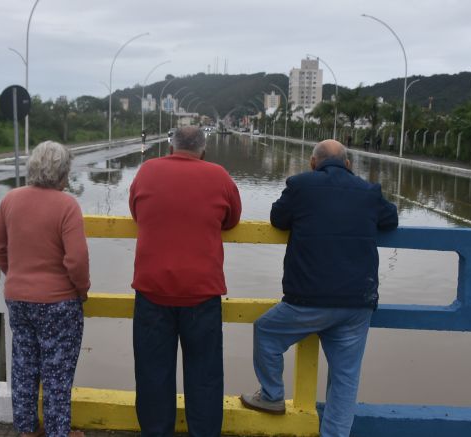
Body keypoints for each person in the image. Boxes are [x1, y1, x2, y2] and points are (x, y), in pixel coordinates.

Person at [240, 140, 398, 437]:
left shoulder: (301, 185)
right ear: (348, 165)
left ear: (313, 163)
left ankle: (272, 395)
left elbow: (278, 218)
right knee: (345, 378)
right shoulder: (368, 191)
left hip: (307, 301)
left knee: (267, 331)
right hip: (357, 303)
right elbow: (390, 219)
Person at [129, 126, 242, 437]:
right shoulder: (219, 176)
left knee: (153, 375)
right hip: (202, 294)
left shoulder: (147, 171)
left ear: (171, 147)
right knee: (204, 375)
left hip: (152, 292)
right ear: (203, 150)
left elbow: (136, 211)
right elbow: (232, 219)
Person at [0, 141, 90, 437]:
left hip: (18, 299)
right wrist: (81, 290)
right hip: (58, 303)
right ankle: (58, 431)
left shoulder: (11, 199)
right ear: (61, 172)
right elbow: (77, 259)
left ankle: (27, 430)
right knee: (57, 373)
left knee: (24, 366)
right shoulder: (67, 205)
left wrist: (15, 273)